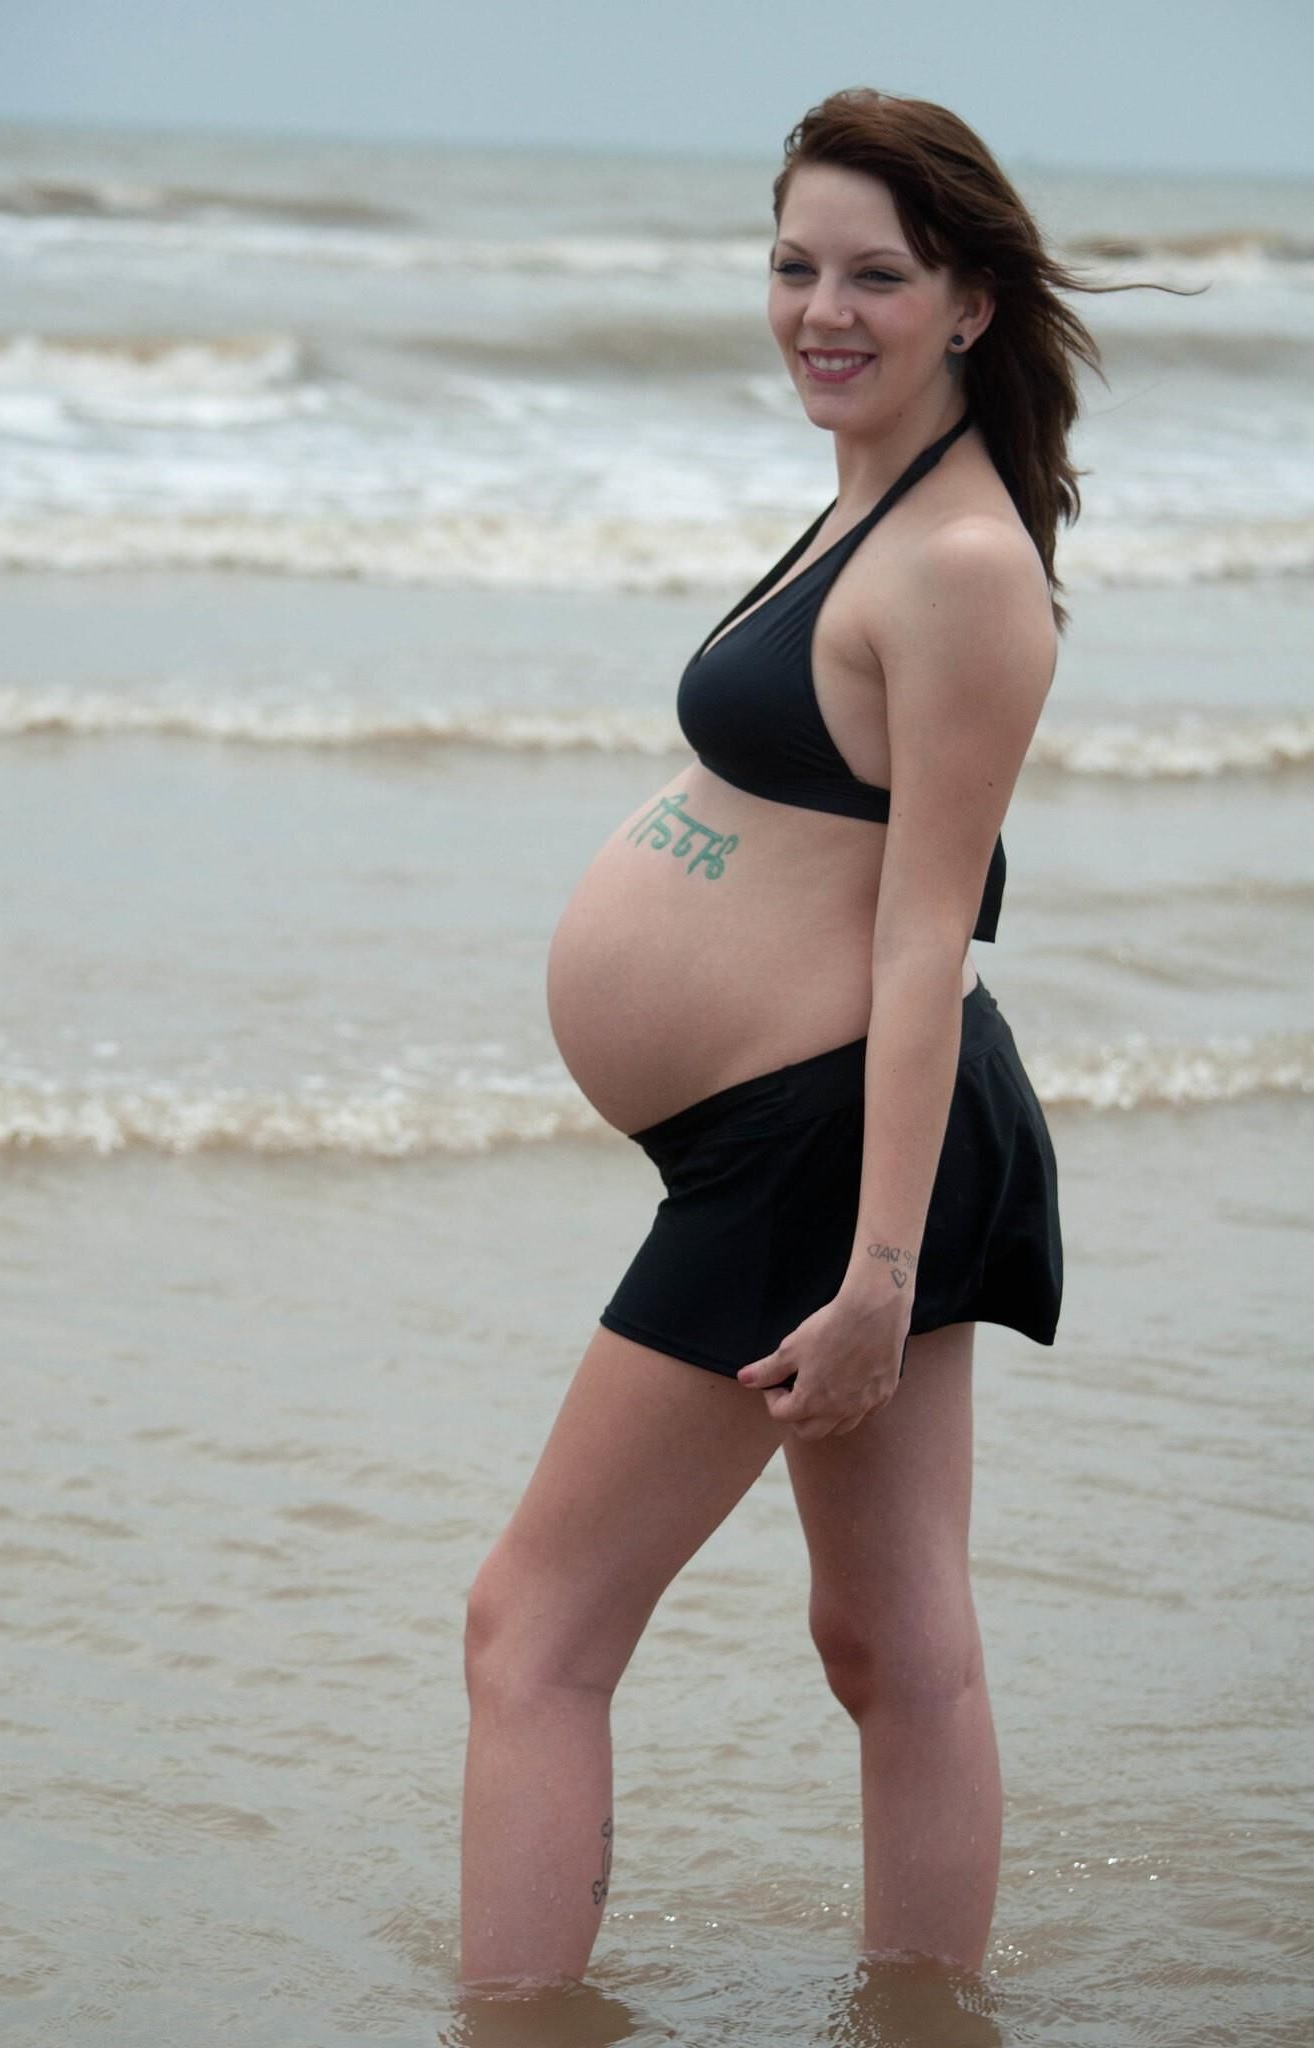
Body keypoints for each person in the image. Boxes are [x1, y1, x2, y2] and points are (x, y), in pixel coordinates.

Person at [459, 86, 1193, 1989]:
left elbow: (926, 932)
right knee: (889, 1639)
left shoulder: (962, 568)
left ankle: (515, 2027)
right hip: (817, 1132)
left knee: (531, 1631)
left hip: (832, 1146)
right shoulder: (868, 487)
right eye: (795, 266)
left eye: (876, 273)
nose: (821, 309)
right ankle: (927, 2019)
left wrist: (876, 1276)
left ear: (969, 301)